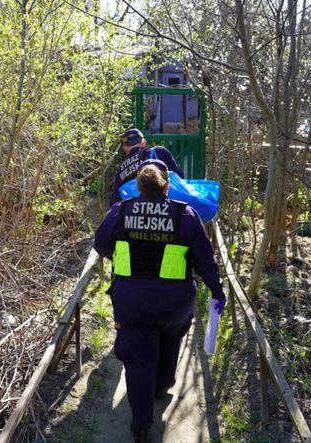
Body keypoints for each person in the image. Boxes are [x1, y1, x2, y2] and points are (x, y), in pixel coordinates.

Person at [94, 159, 226, 443]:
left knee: (138, 359)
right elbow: (206, 261)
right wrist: (217, 291)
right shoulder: (186, 214)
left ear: (137, 187)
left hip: (132, 300)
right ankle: (162, 385)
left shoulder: (121, 211)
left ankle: (141, 425)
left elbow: (101, 245)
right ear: (167, 186)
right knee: (169, 342)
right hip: (174, 302)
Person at [109, 128, 184, 207]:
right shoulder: (159, 151)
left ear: (124, 148)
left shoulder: (121, 170)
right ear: (144, 142)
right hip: (166, 208)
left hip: (136, 212)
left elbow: (114, 201)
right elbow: (179, 178)